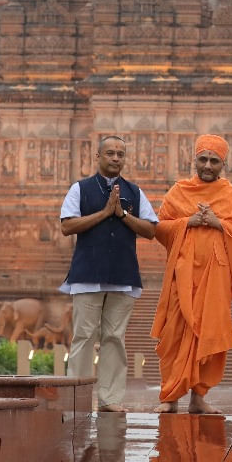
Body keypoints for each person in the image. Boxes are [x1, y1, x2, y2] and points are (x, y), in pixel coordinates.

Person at [151, 134, 232, 414]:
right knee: (174, 335)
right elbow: (159, 228)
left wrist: (218, 223)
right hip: (182, 277)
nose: (208, 165)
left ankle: (199, 397)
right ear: (195, 160)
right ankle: (170, 397)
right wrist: (187, 222)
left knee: (211, 335)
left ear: (223, 164)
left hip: (216, 281)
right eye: (204, 159)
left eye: (214, 161)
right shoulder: (179, 192)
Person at [58, 134, 158, 412]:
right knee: (84, 336)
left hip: (123, 273)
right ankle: (76, 399)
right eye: (110, 153)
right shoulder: (80, 189)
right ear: (98, 157)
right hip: (87, 273)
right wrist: (104, 213)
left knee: (115, 338)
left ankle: (110, 399)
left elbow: (151, 230)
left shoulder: (135, 192)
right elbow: (67, 226)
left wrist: (123, 215)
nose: (115, 158)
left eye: (120, 154)